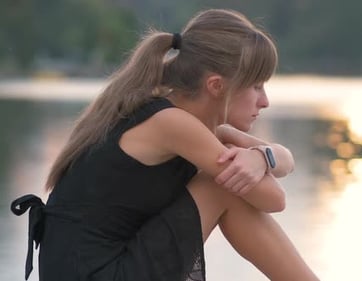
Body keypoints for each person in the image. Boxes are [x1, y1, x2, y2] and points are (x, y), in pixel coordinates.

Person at [11, 8, 319, 281]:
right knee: (223, 185)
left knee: (226, 179)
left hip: (84, 268)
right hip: (95, 273)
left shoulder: (182, 121)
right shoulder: (171, 124)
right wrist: (259, 159)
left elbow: (285, 160)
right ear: (216, 86)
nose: (264, 101)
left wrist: (263, 157)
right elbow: (274, 199)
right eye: (256, 86)